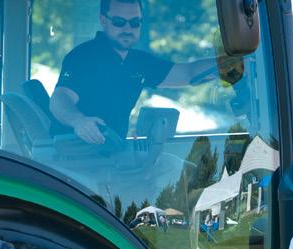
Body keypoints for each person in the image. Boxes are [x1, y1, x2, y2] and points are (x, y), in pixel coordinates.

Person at [50, 0, 233, 143]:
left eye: (135, 23)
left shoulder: (138, 62)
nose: (127, 29)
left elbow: (187, 72)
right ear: (103, 20)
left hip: (114, 152)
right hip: (75, 156)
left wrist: (233, 63)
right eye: (119, 22)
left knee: (178, 169)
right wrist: (79, 121)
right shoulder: (82, 57)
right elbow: (60, 99)